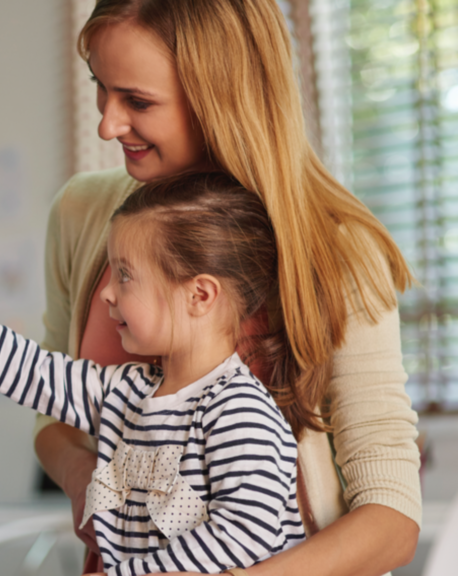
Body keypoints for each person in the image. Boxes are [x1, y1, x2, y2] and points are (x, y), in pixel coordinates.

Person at [34, 1, 421, 575]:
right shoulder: (81, 213)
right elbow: (52, 414)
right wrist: (81, 477)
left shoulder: (337, 249)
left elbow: (390, 518)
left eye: (137, 101)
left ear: (220, 96)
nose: (107, 125)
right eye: (100, 86)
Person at [0, 172, 306, 574]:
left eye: (124, 275)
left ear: (199, 295)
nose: (104, 293)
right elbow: (27, 369)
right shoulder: (122, 391)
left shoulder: (241, 413)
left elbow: (246, 535)